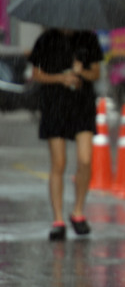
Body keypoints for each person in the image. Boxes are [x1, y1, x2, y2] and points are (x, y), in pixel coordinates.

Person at [28, 28, 103, 241]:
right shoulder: (46, 39)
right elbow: (36, 74)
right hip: (54, 105)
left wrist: (80, 73)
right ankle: (58, 219)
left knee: (85, 160)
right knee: (58, 162)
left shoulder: (88, 37)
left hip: (82, 106)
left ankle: (78, 211)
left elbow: (96, 72)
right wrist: (61, 78)